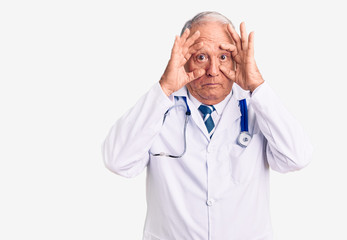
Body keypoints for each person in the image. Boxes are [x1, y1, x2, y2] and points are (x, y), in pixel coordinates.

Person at [102, 11, 312, 240]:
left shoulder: (256, 107)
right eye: (201, 57)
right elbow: (118, 161)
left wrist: (257, 86)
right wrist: (163, 89)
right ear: (183, 58)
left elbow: (297, 158)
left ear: (236, 58)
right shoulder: (160, 108)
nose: (213, 70)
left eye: (223, 57)